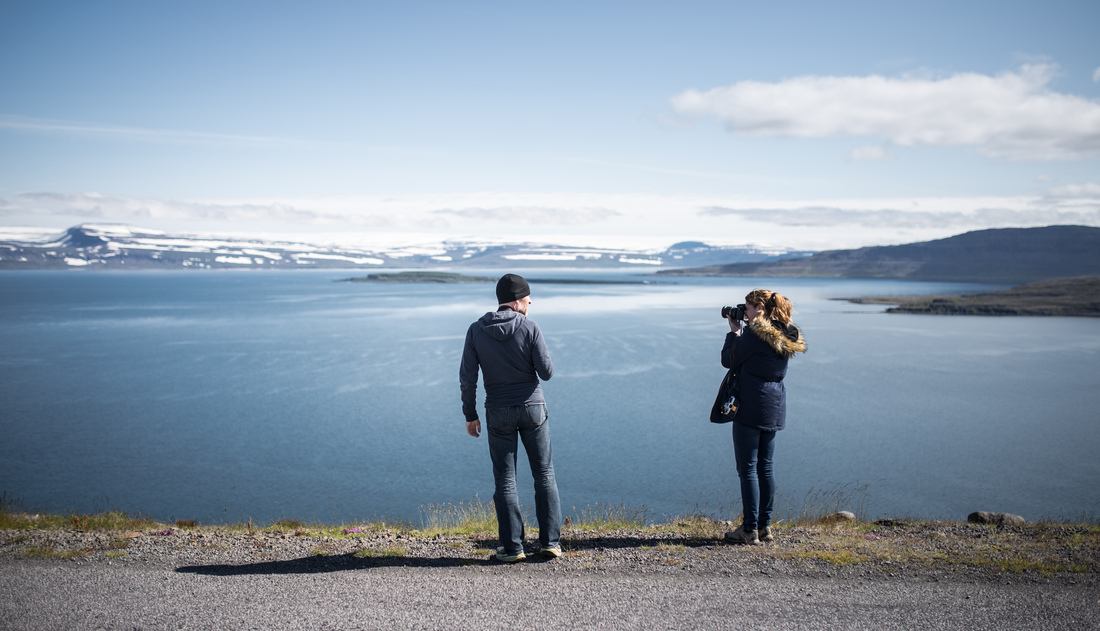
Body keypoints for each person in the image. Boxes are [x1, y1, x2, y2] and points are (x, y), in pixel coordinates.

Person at [460, 273, 561, 562]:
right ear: (517, 301)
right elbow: (547, 373)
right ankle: (550, 543)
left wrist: (470, 414)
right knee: (544, 474)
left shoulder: (476, 330)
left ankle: (512, 547)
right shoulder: (530, 328)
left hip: (498, 411)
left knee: (505, 480)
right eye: (528, 299)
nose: (530, 304)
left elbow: (467, 378)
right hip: (533, 409)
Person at [721, 289, 806, 545]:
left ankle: (748, 530)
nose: (744, 311)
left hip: (750, 403)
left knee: (747, 468)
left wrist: (735, 331)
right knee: (765, 467)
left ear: (759, 309)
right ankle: (764, 527)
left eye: (747, 307)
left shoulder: (754, 336)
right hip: (774, 403)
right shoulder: (785, 335)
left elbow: (728, 360)